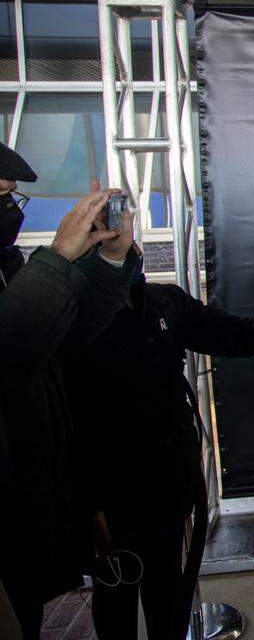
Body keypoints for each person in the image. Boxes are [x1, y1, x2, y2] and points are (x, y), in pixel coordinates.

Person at [63, 243, 254, 640]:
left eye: (126, 234)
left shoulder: (164, 300)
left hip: (170, 477)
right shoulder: (74, 315)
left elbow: (234, 335)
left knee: (168, 585)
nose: (124, 245)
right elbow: (65, 417)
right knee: (117, 589)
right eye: (107, 239)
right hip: (112, 488)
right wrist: (87, 503)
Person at [1, 142, 138, 640]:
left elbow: (62, 339)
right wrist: (57, 257)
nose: (9, 211)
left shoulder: (9, 264)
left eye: (11, 198)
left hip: (28, 508)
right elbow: (10, 347)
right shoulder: (32, 268)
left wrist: (110, 260)